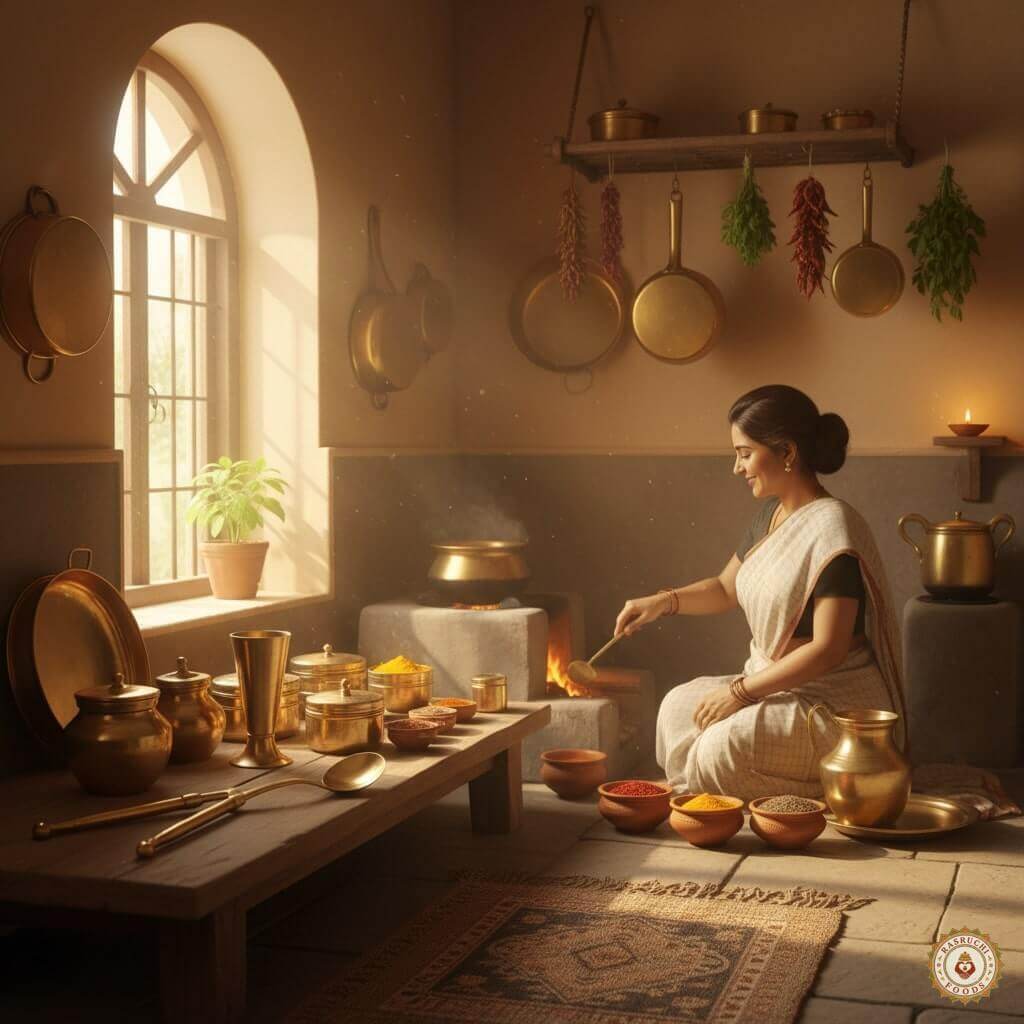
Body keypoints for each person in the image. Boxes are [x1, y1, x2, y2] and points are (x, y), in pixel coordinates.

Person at [614, 384, 908, 800]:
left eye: (745, 453)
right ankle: (709, 784)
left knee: (719, 749)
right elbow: (723, 588)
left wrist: (739, 694)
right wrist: (662, 602)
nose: (738, 468)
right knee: (677, 709)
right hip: (772, 684)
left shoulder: (832, 528)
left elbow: (828, 649)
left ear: (787, 453)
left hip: (828, 703)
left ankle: (786, 788)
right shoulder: (771, 514)